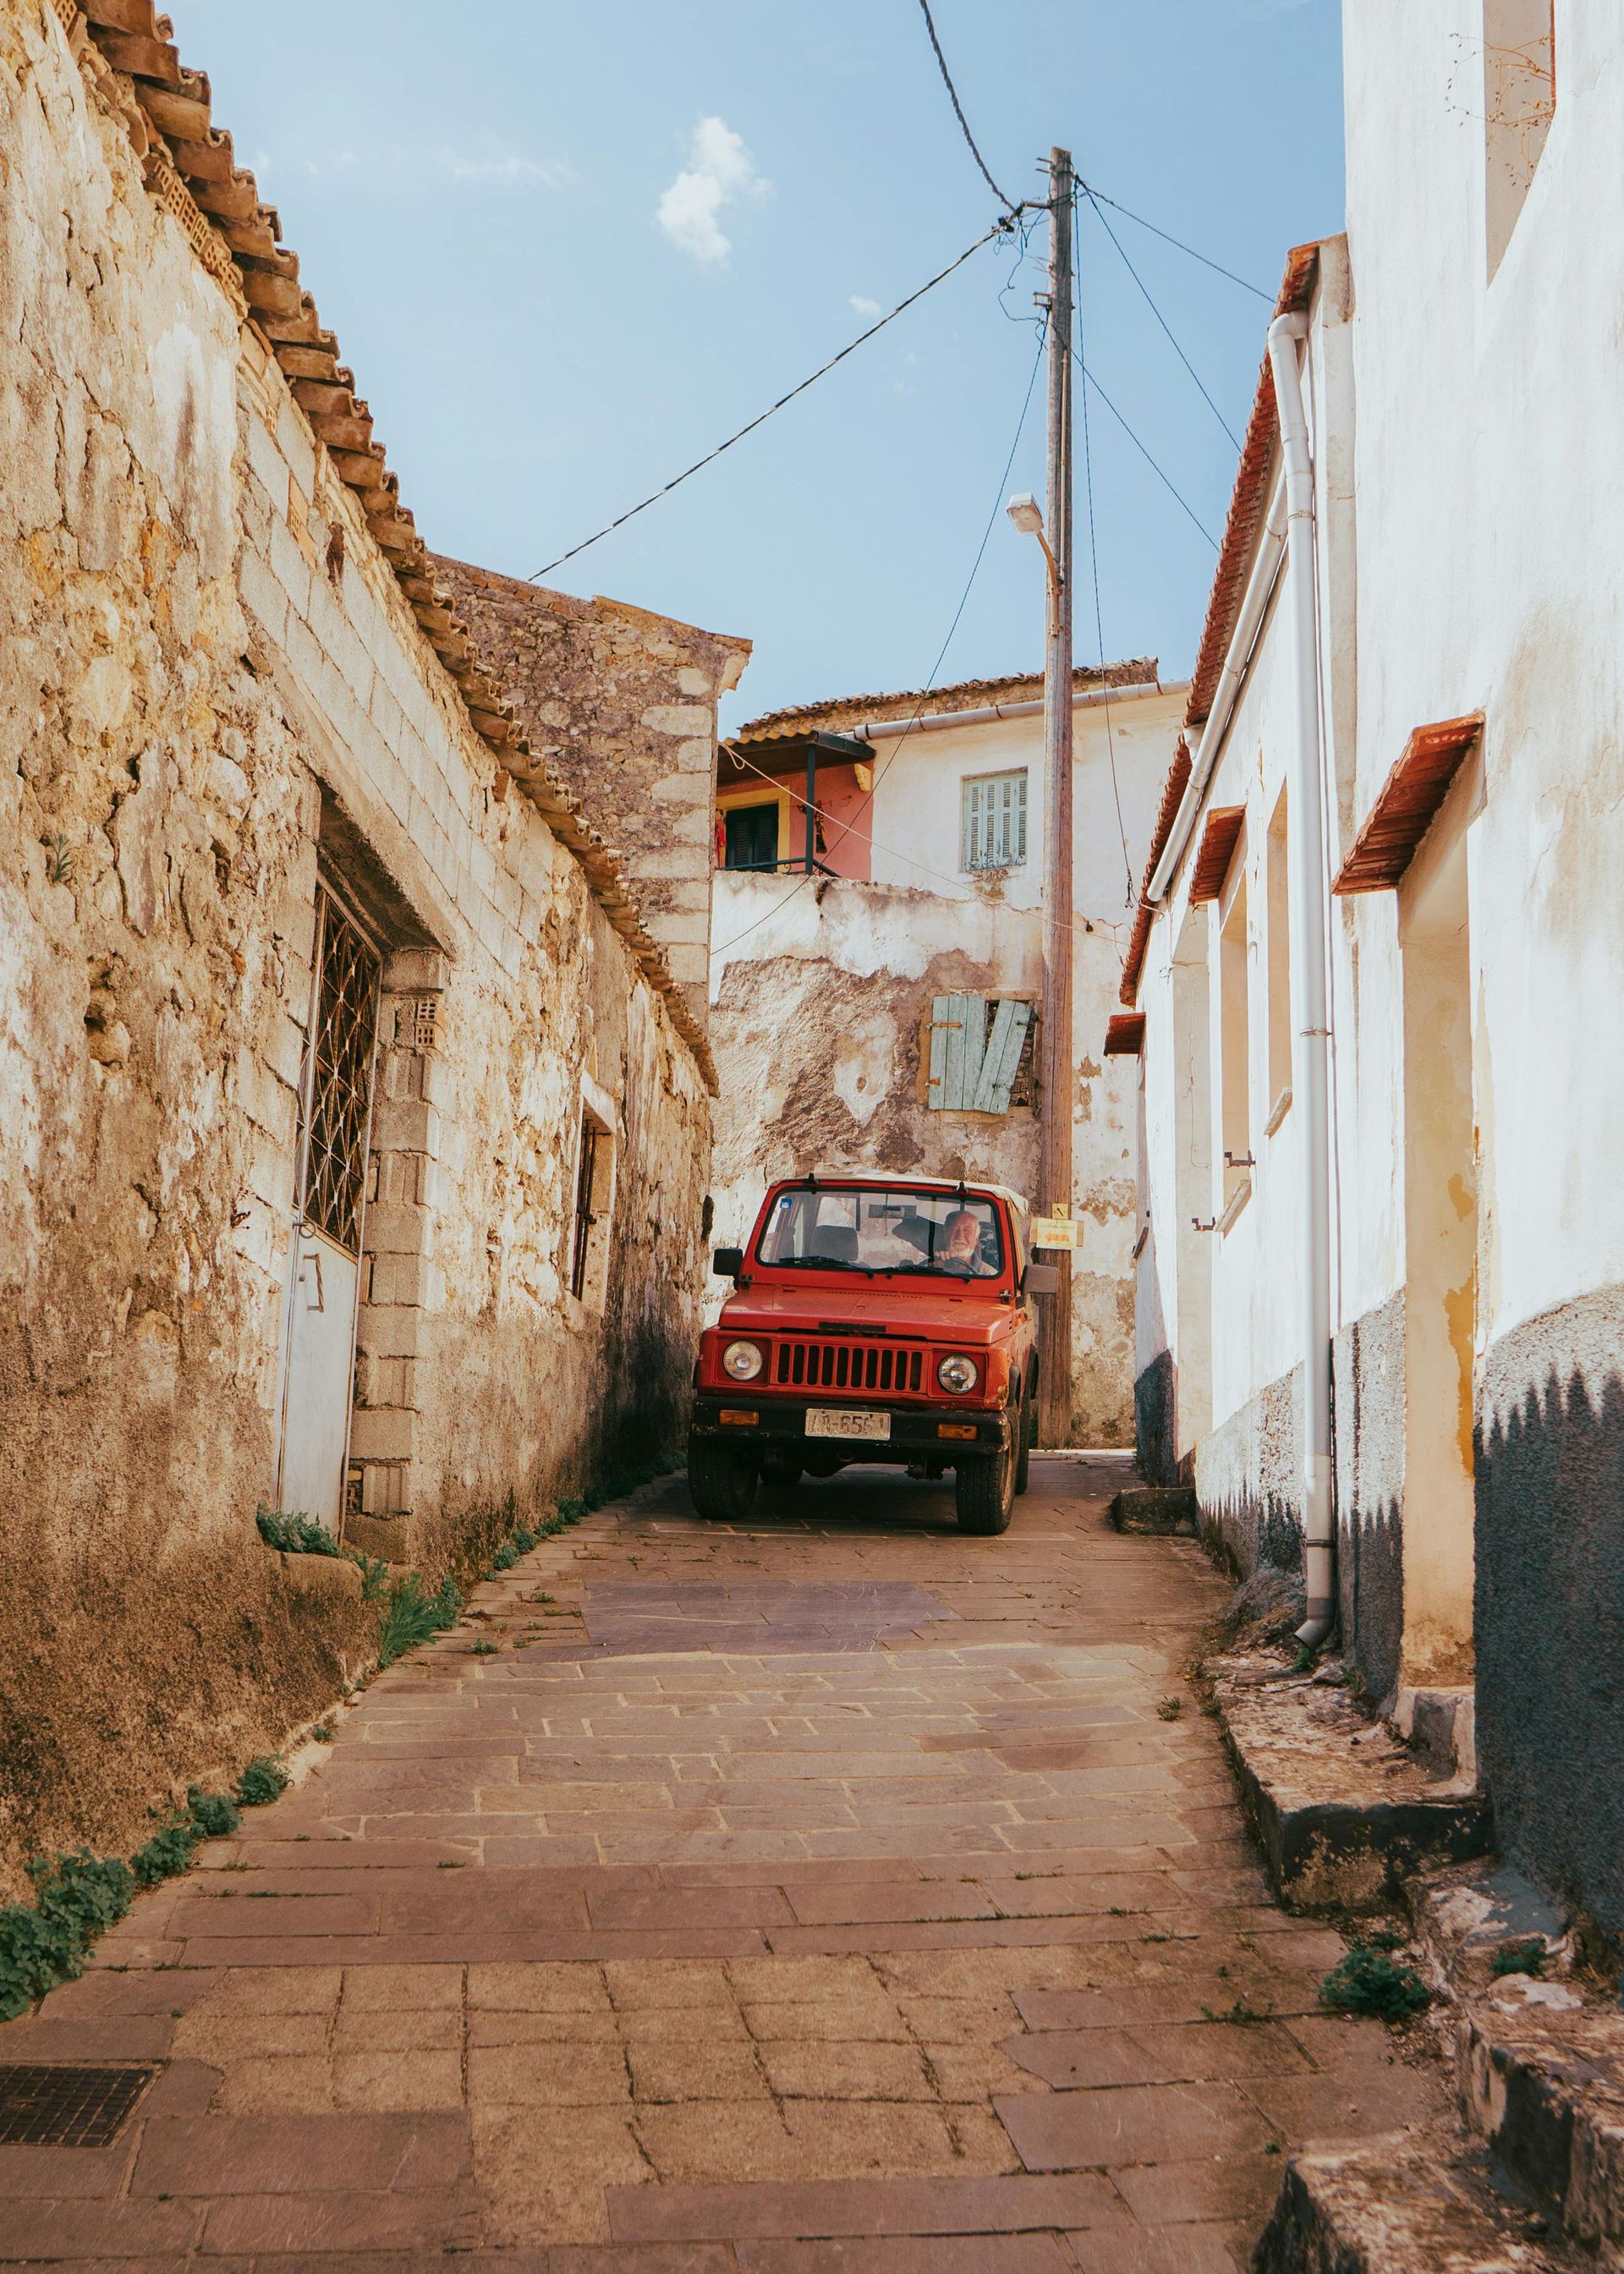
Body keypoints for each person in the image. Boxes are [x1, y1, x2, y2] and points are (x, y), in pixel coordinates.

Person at [939, 1207, 995, 1276]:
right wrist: (936, 1268)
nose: (960, 1237)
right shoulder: (931, 1266)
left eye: (967, 1231)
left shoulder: (989, 1274)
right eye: (954, 1230)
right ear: (945, 1236)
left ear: (976, 1241)